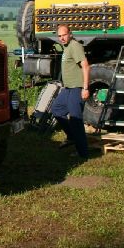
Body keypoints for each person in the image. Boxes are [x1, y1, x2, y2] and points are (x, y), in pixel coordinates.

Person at [51, 24, 90, 158]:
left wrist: (85, 88)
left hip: (76, 88)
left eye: (64, 35)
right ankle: (72, 136)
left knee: (76, 120)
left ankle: (83, 153)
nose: (62, 38)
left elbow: (85, 66)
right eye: (59, 36)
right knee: (56, 109)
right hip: (67, 88)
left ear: (70, 34)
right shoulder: (66, 47)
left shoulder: (74, 46)